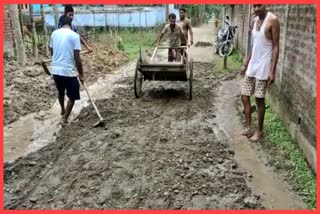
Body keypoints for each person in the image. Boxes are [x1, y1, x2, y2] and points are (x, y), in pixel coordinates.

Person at [240, 4, 280, 142]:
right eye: (254, 5)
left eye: (259, 5)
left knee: (259, 100)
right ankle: (248, 127)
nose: (256, 8)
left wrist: (272, 71)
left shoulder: (273, 20)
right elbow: (253, 45)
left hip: (263, 67)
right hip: (252, 65)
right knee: (244, 96)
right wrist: (246, 63)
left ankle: (259, 131)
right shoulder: (254, 20)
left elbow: (275, 46)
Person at [50, 16, 85, 125]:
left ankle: (62, 110)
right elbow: (77, 58)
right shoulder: (75, 36)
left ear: (60, 24)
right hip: (68, 71)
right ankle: (64, 118)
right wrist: (81, 74)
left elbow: (51, 50)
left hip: (55, 70)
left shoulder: (54, 34)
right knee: (73, 95)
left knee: (60, 91)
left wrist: (56, 58)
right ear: (71, 24)